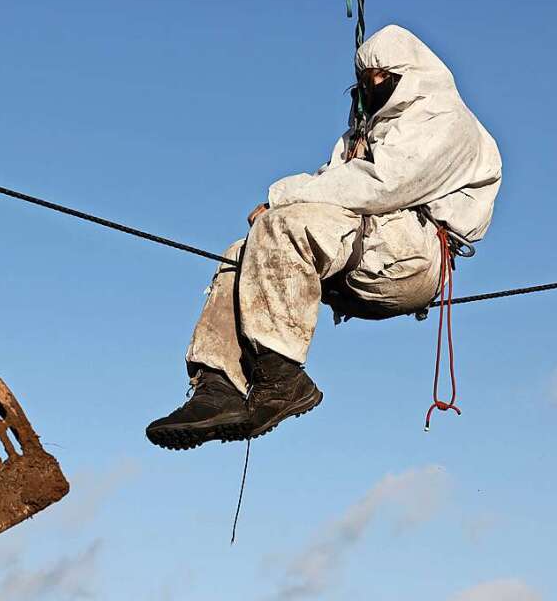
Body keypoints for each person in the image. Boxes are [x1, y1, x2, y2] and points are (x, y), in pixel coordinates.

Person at [146, 25, 502, 450]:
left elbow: (382, 184)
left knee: (283, 227)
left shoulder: (442, 121)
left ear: (405, 75)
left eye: (377, 80)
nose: (368, 89)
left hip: (413, 254)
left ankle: (280, 380)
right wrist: (282, 208)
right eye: (364, 82)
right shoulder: (364, 133)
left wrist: (282, 198)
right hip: (365, 251)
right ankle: (217, 386)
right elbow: (332, 182)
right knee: (242, 256)